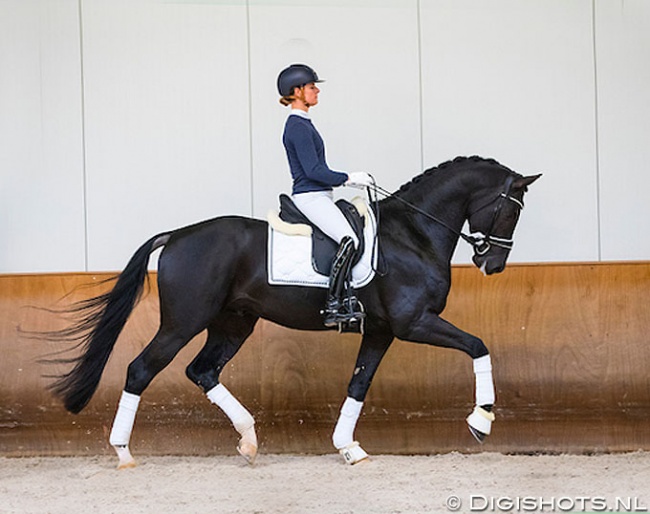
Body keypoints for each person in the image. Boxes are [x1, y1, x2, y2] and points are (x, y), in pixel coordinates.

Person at [277, 63, 373, 328]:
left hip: (319, 195)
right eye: (311, 87)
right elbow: (314, 170)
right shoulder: (297, 126)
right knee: (349, 239)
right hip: (310, 196)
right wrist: (348, 178)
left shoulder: (304, 123)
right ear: (296, 91)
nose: (317, 90)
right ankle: (335, 304)